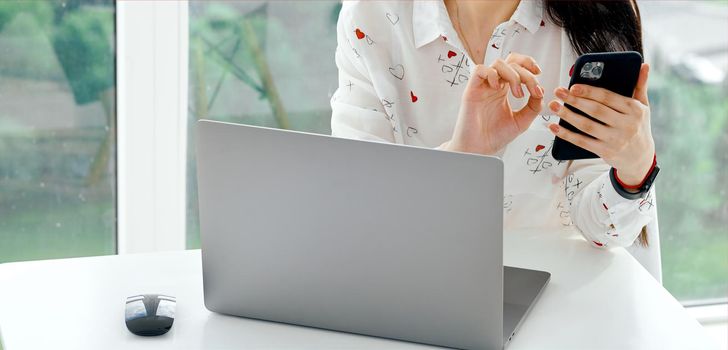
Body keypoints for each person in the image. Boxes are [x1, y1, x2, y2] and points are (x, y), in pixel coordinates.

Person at [330, 0, 661, 278]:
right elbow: (360, 211)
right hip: (416, 278)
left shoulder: (595, 14)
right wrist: (462, 156)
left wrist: (633, 174)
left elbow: (601, 229)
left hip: (556, 287)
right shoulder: (371, 17)